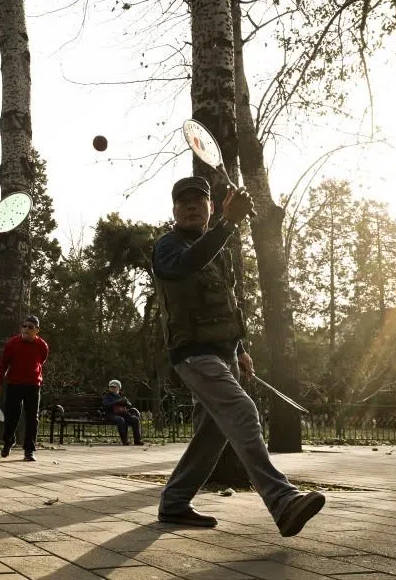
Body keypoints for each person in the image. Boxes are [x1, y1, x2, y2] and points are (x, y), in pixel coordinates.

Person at [152, 176, 324, 538]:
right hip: (193, 354)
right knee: (243, 411)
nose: (192, 206)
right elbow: (184, 267)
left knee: (212, 435)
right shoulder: (168, 247)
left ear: (210, 207)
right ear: (174, 210)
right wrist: (228, 224)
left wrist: (241, 350)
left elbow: (229, 305)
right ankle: (282, 500)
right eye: (184, 202)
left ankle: (174, 502)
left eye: (199, 201)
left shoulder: (220, 252)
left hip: (223, 354)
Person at [0, 315, 49, 462]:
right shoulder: (12, 343)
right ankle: (8, 441)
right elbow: (3, 364)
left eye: (30, 327)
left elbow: (41, 360)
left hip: (33, 385)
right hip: (14, 384)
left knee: (32, 418)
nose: (26, 329)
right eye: (24, 326)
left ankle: (29, 450)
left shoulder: (42, 345)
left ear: (37, 330)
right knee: (12, 416)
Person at [102, 380, 143, 446]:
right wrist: (116, 402)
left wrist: (126, 402)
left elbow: (129, 405)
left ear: (119, 388)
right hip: (111, 414)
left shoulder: (121, 395)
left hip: (123, 413)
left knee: (135, 420)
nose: (112, 388)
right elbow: (105, 405)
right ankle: (125, 441)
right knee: (120, 420)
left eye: (114, 387)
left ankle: (137, 441)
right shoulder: (107, 396)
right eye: (111, 387)